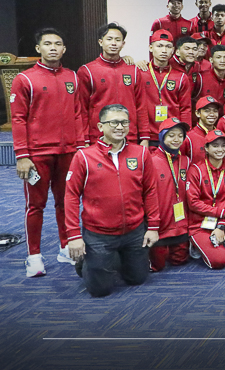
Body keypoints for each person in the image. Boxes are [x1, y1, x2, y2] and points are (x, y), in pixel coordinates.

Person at [64, 105, 160, 297]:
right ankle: (88, 261)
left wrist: (153, 227)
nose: (120, 127)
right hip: (99, 234)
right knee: (100, 290)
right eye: (114, 122)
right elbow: (71, 195)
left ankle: (112, 258)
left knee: (137, 279)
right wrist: (74, 236)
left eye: (124, 122)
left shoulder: (141, 154)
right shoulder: (84, 157)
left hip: (134, 231)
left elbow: (150, 190)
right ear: (100, 126)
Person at [13, 28, 86, 276]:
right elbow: (18, 119)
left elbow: (78, 114)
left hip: (68, 152)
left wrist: (80, 147)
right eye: (47, 44)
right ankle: (34, 256)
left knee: (66, 202)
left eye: (57, 44)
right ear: (38, 48)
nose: (53, 48)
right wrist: (22, 155)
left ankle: (65, 248)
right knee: (35, 205)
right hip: (37, 154)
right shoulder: (25, 79)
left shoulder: (72, 77)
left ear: (64, 49)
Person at [78, 23, 152, 145]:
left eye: (117, 40)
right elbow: (82, 109)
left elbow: (141, 106)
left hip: (129, 136)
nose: (113, 43)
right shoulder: (87, 71)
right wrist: (84, 138)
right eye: (109, 39)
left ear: (123, 44)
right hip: (99, 137)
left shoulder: (133, 71)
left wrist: (145, 137)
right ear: (100, 42)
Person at [185, 129, 225, 268]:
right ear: (206, 148)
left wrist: (221, 225)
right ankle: (197, 243)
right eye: (215, 146)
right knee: (218, 262)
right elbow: (193, 203)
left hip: (224, 220)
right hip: (200, 223)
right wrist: (221, 213)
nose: (220, 149)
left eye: (223, 145)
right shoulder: (196, 170)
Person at [141, 30, 193, 126]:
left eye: (168, 47)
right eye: (159, 46)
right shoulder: (140, 73)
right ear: (151, 48)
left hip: (173, 131)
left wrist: (185, 131)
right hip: (147, 132)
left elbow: (185, 109)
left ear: (173, 50)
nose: (164, 50)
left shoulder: (181, 77)